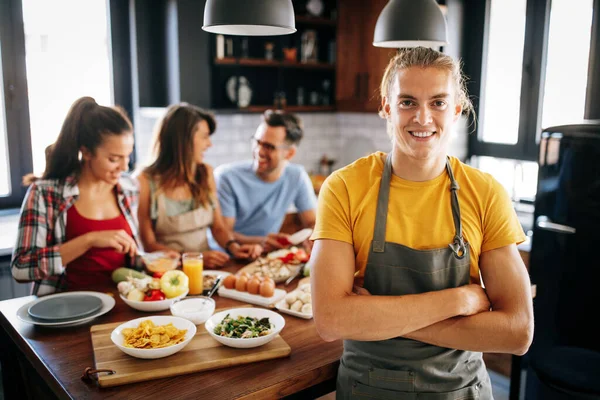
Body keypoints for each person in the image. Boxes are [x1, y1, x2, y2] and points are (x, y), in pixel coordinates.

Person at [309, 47, 534, 399]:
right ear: (386, 105)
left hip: (461, 391)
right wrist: (458, 300)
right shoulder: (344, 187)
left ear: (457, 108)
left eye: (438, 103)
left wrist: (385, 321)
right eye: (408, 102)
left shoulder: (486, 193)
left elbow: (517, 332)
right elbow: (330, 320)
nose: (423, 118)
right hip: (367, 388)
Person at [12, 97, 139, 296]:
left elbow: (131, 256)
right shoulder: (45, 194)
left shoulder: (129, 189)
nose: (124, 167)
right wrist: (89, 240)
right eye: (114, 159)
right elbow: (21, 267)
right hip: (66, 310)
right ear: (86, 152)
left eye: (127, 156)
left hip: (124, 305)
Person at [136, 103, 262, 268]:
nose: (209, 144)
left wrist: (234, 247)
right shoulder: (145, 181)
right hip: (169, 273)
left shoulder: (206, 174)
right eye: (204, 137)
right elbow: (149, 244)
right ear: (183, 140)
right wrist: (194, 259)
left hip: (207, 271)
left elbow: (218, 228)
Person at [211, 110, 317, 252]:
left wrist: (310, 236)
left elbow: (312, 222)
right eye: (257, 142)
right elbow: (223, 232)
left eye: (269, 146)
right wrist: (262, 241)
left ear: (289, 153)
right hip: (227, 258)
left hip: (264, 257)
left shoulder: (297, 176)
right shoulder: (226, 177)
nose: (259, 151)